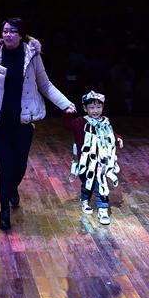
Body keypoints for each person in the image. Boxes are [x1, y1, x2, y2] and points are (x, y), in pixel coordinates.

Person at [0, 17, 76, 230]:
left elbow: (45, 85)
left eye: (12, 31)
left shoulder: (32, 56)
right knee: (6, 166)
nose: (8, 34)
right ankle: (4, 210)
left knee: (20, 165)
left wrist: (66, 104)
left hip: (23, 120)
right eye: (5, 31)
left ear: (21, 35)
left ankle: (12, 188)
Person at [63, 91, 123, 225]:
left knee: (100, 182)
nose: (95, 110)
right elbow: (68, 125)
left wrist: (117, 138)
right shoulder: (81, 122)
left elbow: (110, 133)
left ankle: (103, 209)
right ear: (85, 108)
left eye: (98, 107)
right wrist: (67, 113)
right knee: (87, 183)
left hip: (101, 160)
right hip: (86, 161)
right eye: (92, 107)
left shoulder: (105, 121)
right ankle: (85, 199)